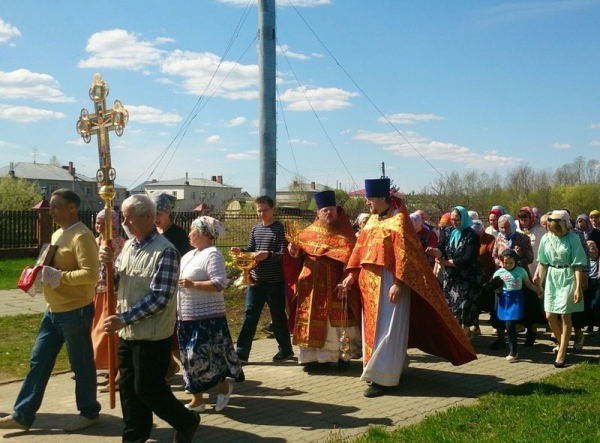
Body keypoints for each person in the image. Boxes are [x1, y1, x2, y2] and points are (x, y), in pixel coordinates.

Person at [338, 179, 477, 398]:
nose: (367, 203)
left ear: (383, 198)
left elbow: (405, 257)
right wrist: (351, 275)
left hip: (389, 282)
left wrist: (398, 283)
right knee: (372, 331)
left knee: (389, 330)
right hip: (369, 285)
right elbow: (359, 250)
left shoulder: (399, 221)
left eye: (370, 198)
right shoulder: (372, 221)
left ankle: (384, 378)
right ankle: (385, 368)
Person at [100, 194, 199, 443]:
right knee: (130, 392)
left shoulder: (165, 251)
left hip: (152, 335)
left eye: (129, 217)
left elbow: (160, 298)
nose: (125, 222)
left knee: (149, 390)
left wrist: (124, 318)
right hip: (127, 333)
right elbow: (112, 285)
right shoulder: (129, 248)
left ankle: (186, 421)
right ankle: (134, 437)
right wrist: (106, 264)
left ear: (147, 217)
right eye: (123, 217)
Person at [0, 189, 101, 432]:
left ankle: (89, 412)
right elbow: (50, 265)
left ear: (72, 208)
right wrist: (38, 273)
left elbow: (91, 275)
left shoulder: (82, 236)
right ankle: (22, 414)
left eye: (56, 207)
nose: (51, 211)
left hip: (75, 311)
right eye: (50, 207)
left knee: (81, 364)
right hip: (53, 310)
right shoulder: (58, 233)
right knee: (39, 360)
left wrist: (59, 277)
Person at [287, 190, 361, 372]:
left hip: (335, 284)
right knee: (311, 320)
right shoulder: (308, 232)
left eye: (332, 210)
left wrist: (346, 280)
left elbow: (353, 261)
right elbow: (296, 256)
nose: (328, 213)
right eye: (325, 210)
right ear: (318, 213)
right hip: (309, 286)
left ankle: (339, 357)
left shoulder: (345, 234)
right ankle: (312, 359)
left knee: (335, 324)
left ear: (337, 211)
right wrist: (293, 249)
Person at [177, 216, 245, 412]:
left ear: (202, 234)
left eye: (191, 230)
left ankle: (223, 386)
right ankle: (197, 399)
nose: (189, 233)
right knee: (189, 359)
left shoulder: (213, 254)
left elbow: (220, 283)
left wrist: (193, 285)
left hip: (207, 318)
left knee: (208, 357)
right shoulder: (189, 255)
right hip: (186, 316)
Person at [232, 195, 294, 363]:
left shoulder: (280, 229)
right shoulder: (255, 229)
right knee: (250, 315)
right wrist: (241, 251)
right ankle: (241, 353)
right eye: (258, 211)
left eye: (264, 210)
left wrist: (268, 255)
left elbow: (284, 256)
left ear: (272, 209)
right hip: (255, 280)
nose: (261, 214)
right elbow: (252, 250)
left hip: (274, 281)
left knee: (278, 316)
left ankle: (286, 350)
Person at [150, 191, 192, 381]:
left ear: (168, 213)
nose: (156, 218)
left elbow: (184, 263)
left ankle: (190, 370)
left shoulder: (178, 234)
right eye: (153, 214)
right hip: (153, 288)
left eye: (159, 214)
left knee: (172, 335)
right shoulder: (151, 234)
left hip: (174, 290)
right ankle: (170, 366)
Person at [537, 210, 587, 368]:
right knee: (550, 315)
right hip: (552, 277)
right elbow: (543, 262)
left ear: (565, 223)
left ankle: (562, 351)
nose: (554, 224)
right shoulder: (546, 238)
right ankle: (562, 342)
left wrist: (578, 288)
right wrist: (539, 283)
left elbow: (578, 264)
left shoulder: (573, 238)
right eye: (552, 221)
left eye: (558, 221)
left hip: (568, 276)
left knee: (565, 315)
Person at [427, 206, 482, 338]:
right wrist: (435, 252)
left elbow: (468, 258)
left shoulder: (472, 235)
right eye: (452, 219)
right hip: (452, 277)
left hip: (468, 276)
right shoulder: (447, 232)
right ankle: (458, 336)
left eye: (457, 219)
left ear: (463, 219)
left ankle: (465, 336)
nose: (454, 222)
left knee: (464, 306)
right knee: (452, 307)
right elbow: (441, 248)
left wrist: (446, 262)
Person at [492, 214, 541, 346]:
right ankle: (501, 338)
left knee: (528, 305)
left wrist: (515, 261)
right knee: (499, 306)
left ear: (512, 225)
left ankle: (531, 334)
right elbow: (495, 255)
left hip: (521, 276)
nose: (504, 230)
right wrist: (501, 263)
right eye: (502, 227)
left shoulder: (522, 238)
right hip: (504, 278)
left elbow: (530, 257)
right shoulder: (499, 238)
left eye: (507, 227)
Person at [92, 209, 126, 391]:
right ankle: (110, 372)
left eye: (103, 222)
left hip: (112, 294)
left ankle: (117, 374)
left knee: (109, 333)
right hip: (96, 292)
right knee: (98, 333)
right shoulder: (93, 241)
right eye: (97, 222)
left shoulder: (120, 243)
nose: (99, 226)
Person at [492, 249, 542, 362]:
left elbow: (528, 284)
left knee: (510, 323)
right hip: (504, 299)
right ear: (501, 262)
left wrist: (538, 290)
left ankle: (513, 352)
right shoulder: (499, 272)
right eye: (505, 263)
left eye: (510, 263)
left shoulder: (521, 271)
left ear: (515, 261)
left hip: (516, 299)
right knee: (508, 325)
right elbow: (493, 285)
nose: (508, 265)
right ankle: (513, 347)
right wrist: (496, 289)